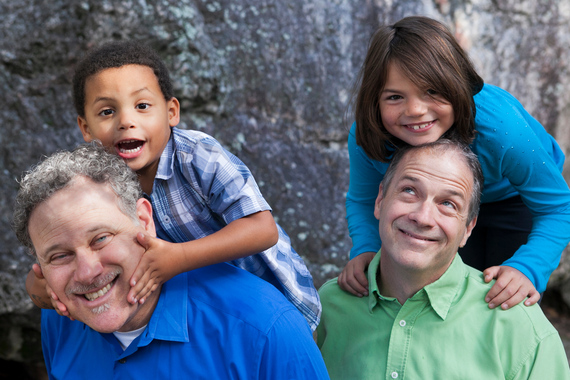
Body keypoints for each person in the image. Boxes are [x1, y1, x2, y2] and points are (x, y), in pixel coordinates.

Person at [25, 40, 320, 330]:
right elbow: (53, 265)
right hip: (205, 314)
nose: (126, 121)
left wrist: (178, 258)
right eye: (107, 112)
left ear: (171, 113)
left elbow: (262, 229)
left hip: (276, 302)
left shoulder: (199, 156)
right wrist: (46, 285)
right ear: (86, 128)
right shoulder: (100, 185)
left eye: (142, 105)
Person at [13, 144, 330, 379]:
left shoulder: (265, 329)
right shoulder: (59, 321)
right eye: (60, 256)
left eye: (101, 238)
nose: (87, 271)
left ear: (144, 220)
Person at [341, 16, 570, 311]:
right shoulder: (368, 134)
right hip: (440, 207)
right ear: (374, 101)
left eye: (432, 91)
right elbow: (363, 200)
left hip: (512, 200)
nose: (415, 110)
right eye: (395, 96)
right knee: (442, 300)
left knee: (505, 298)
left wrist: (528, 268)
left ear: (457, 85)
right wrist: (366, 249)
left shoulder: (501, 129)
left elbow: (557, 206)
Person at [317, 140, 570, 379]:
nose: (423, 217)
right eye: (409, 190)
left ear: (468, 228)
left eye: (448, 203)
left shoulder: (517, 326)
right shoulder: (327, 307)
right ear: (380, 199)